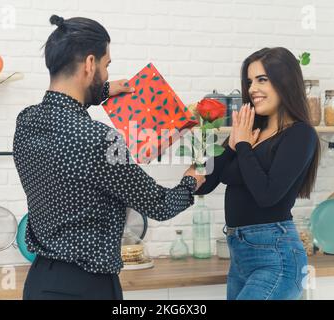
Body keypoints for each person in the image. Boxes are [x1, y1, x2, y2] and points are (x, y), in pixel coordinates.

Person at [13, 15, 205, 300]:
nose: (106, 72)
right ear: (90, 64)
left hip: (40, 282)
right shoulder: (100, 139)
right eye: (106, 65)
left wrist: (102, 90)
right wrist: (190, 182)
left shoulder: (27, 121)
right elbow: (159, 205)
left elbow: (66, 109)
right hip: (86, 287)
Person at [195, 47, 321, 300]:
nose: (252, 88)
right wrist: (233, 144)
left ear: (285, 81)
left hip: (277, 256)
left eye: (262, 79)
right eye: (250, 81)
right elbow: (204, 184)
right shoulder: (249, 132)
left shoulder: (300, 134)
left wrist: (242, 146)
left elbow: (267, 194)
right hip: (240, 257)